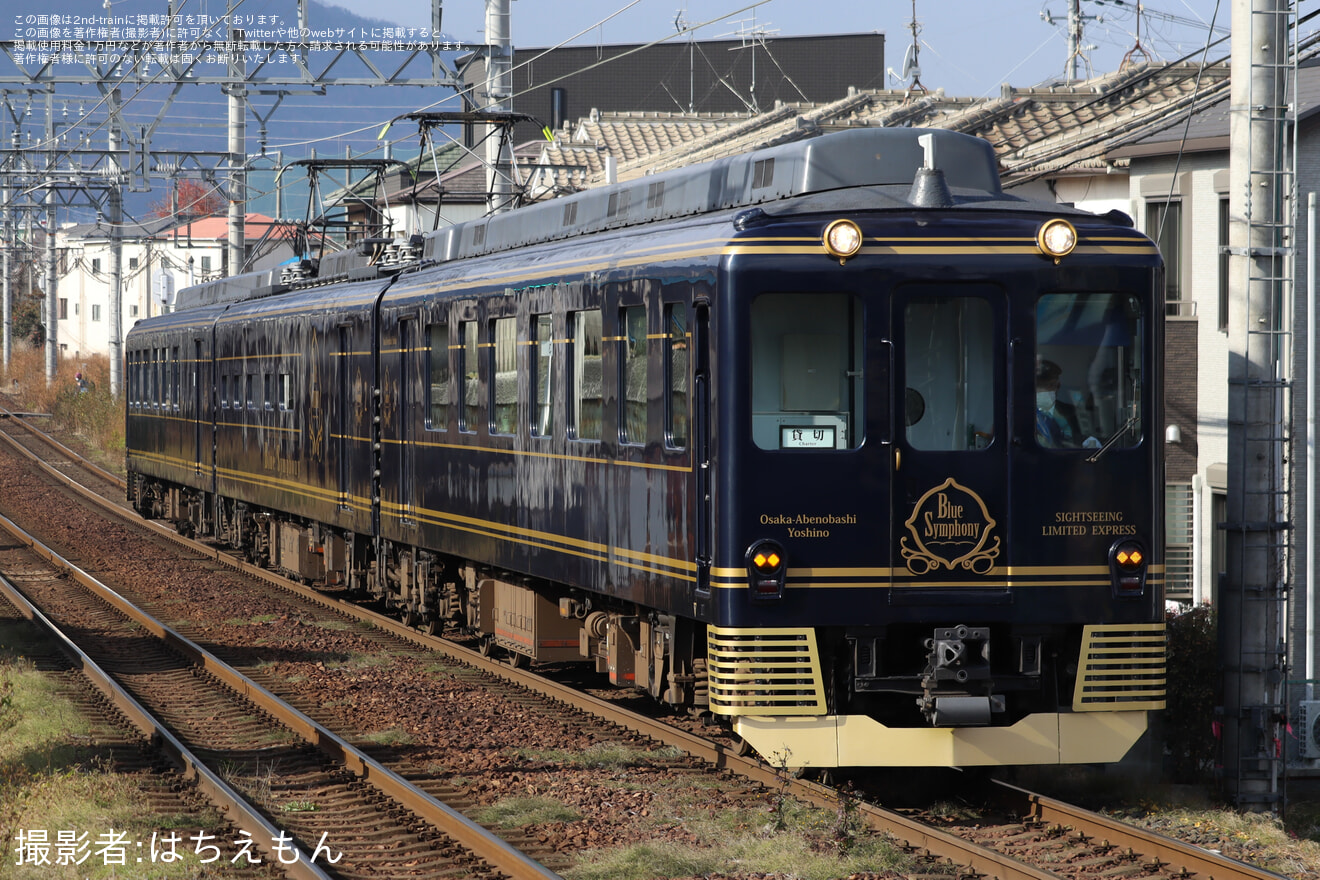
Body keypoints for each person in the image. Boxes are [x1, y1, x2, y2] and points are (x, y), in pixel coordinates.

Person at [1035, 358, 1084, 448]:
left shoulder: (1069, 410)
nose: (1045, 390)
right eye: (1041, 385)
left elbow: (1078, 436)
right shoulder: (1023, 415)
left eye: (1053, 385)